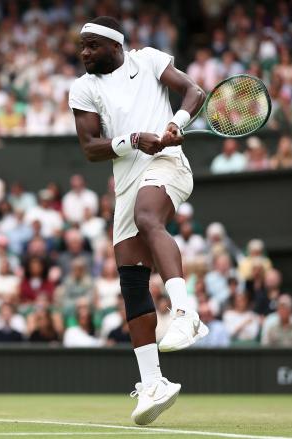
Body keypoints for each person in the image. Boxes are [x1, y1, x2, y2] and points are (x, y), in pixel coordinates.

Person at [69, 16, 208, 424]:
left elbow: (192, 91)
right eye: (82, 47)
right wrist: (131, 140)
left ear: (116, 46)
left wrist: (174, 124)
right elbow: (91, 148)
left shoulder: (147, 60)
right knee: (131, 280)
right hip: (127, 180)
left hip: (167, 164)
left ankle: (184, 312)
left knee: (149, 218)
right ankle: (153, 384)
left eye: (92, 46)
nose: (84, 53)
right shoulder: (83, 88)